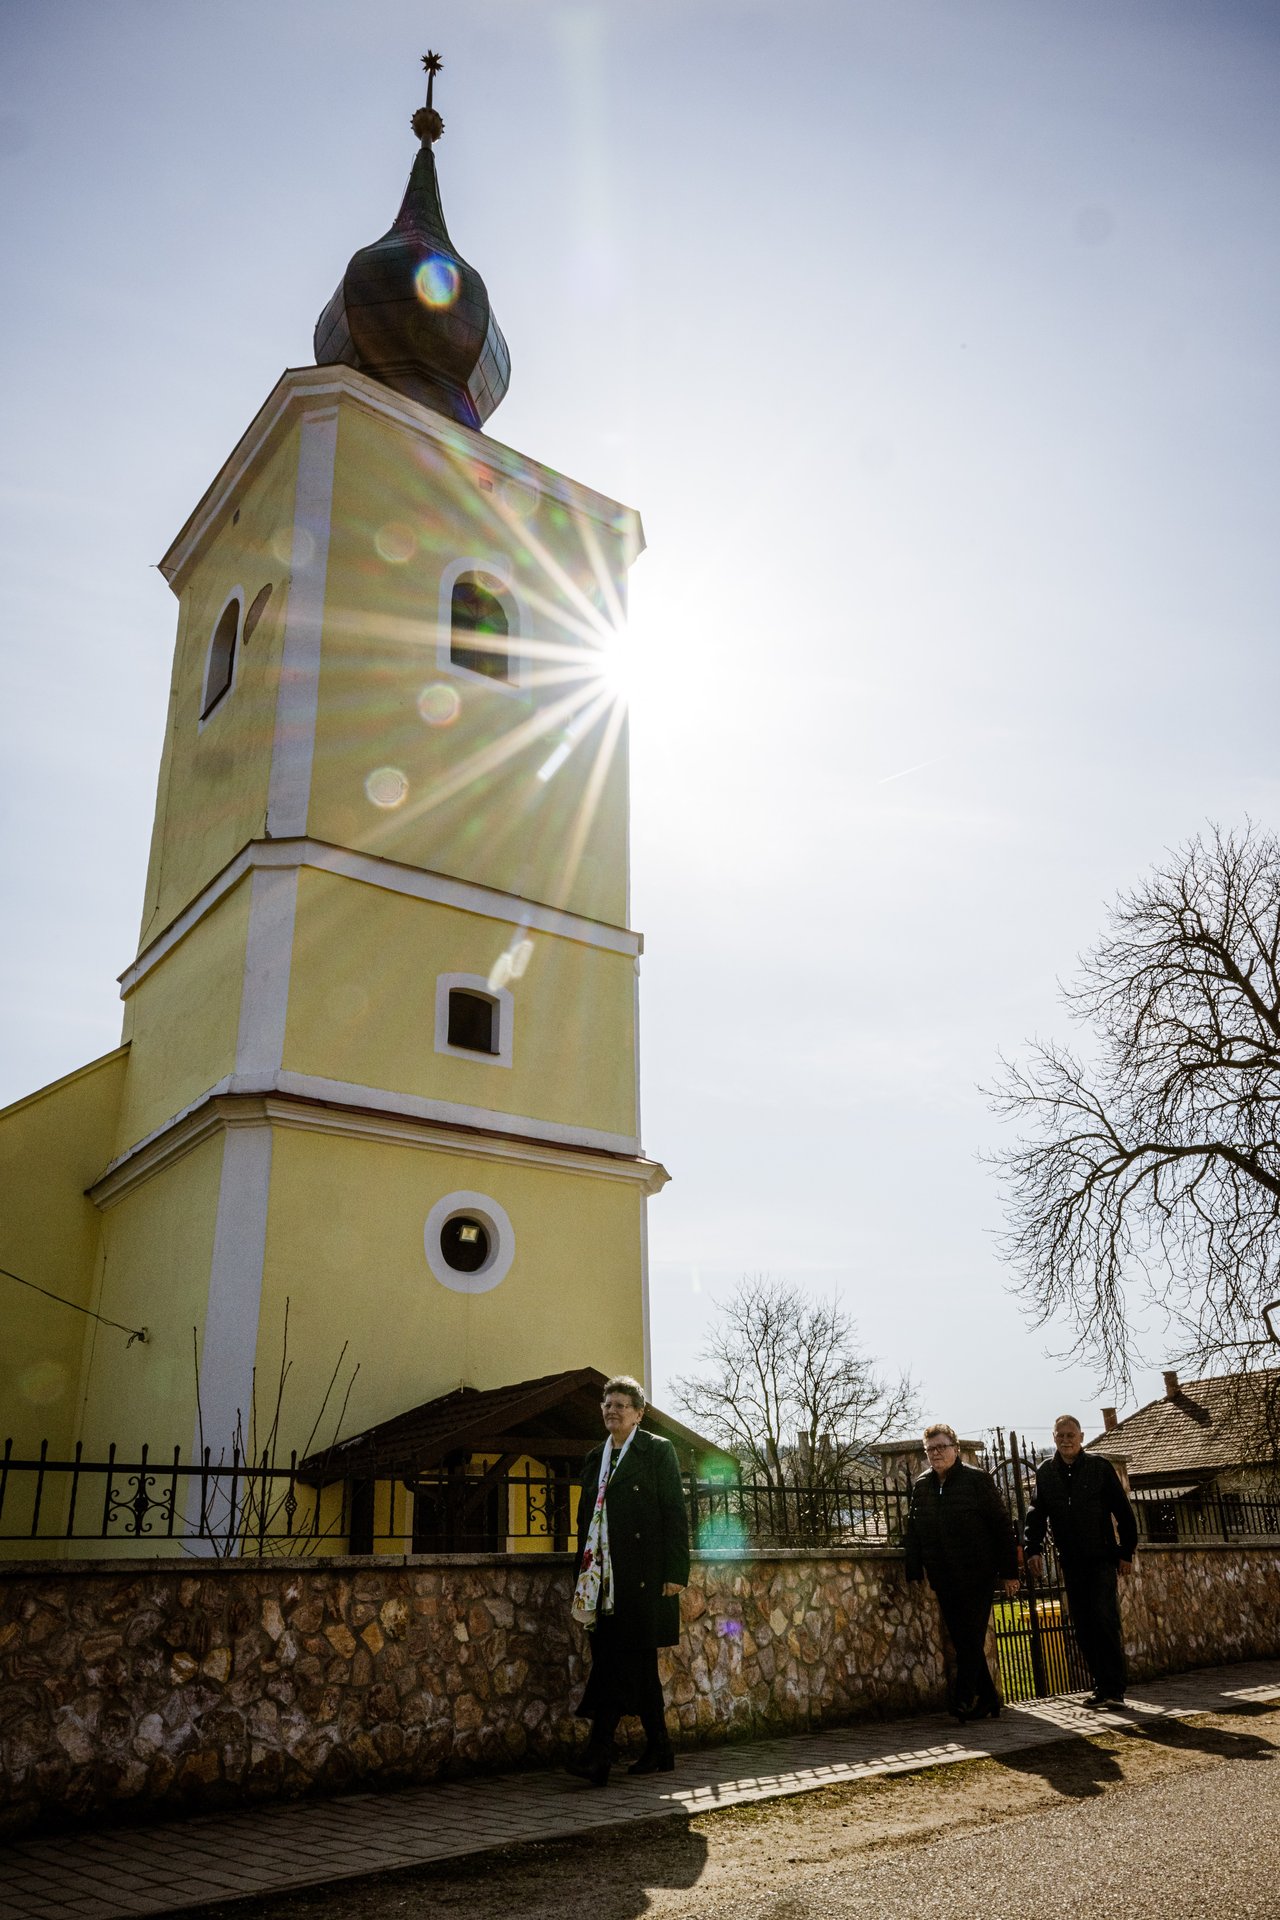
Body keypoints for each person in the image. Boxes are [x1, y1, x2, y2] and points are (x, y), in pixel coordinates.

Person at [567, 1374, 690, 1787]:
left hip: (643, 1578)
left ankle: (598, 1753)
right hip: (601, 1580)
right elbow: (585, 1523)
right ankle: (660, 1746)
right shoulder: (593, 1459)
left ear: (639, 1413)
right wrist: (581, 1575)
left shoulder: (657, 1451)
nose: (612, 1410)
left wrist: (676, 1572)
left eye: (621, 1404)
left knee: (615, 1659)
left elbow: (674, 1512)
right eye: (607, 1403)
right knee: (633, 1662)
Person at [903, 1422, 1020, 1723]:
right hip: (943, 1576)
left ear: (955, 1448)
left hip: (978, 1573)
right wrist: (915, 1568)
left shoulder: (976, 1480)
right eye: (931, 1449)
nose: (936, 1453)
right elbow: (914, 1531)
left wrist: (1009, 1571)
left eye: (942, 1447)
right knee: (963, 1638)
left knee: (970, 1636)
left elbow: (1001, 1526)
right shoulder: (922, 1485)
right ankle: (990, 1698)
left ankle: (963, 1696)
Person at [1023, 1413, 1138, 1709]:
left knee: (1104, 1619)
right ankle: (1100, 1686)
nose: (1065, 1440)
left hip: (1101, 1557)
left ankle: (1115, 1689)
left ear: (1081, 1437)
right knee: (1083, 1625)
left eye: (1070, 1435)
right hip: (1071, 1560)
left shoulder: (1099, 1468)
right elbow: (1036, 1514)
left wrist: (1126, 1552)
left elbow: (1123, 1513)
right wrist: (1032, 1548)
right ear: (1054, 1439)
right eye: (1060, 1435)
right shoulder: (1046, 1472)